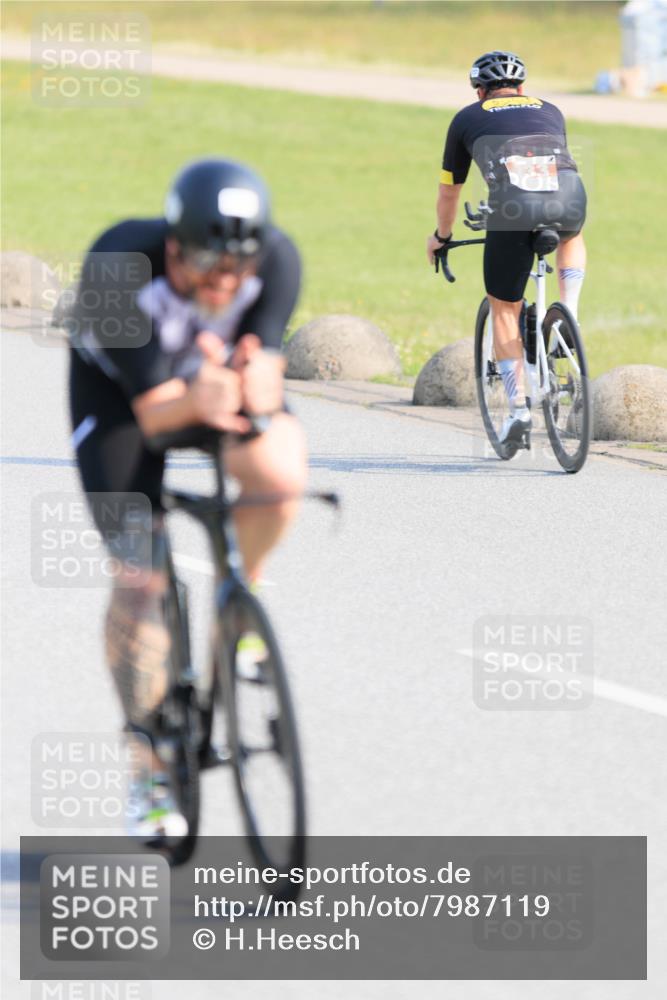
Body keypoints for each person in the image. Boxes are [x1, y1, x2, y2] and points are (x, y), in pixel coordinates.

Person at [68, 157, 307, 840]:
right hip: (123, 402)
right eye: (208, 266)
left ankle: (240, 606)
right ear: (173, 245)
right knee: (139, 577)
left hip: (212, 383)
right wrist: (203, 392)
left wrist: (254, 386)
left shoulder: (277, 260)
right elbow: (153, 414)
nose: (224, 283)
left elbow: (266, 372)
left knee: (280, 479)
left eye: (239, 268)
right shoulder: (119, 264)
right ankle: (146, 763)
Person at [426, 51, 587, 445]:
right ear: (522, 88)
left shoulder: (467, 116)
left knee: (504, 307)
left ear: (479, 90)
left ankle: (518, 409)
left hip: (514, 205)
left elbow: (451, 190)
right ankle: (570, 312)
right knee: (571, 232)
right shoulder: (550, 108)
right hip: (569, 195)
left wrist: (442, 236)